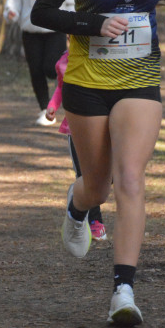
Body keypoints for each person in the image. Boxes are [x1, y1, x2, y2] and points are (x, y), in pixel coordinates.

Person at [32, 0, 165, 327]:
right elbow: (42, 11)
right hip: (87, 82)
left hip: (139, 78)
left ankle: (123, 289)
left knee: (131, 179)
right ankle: (79, 206)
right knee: (97, 184)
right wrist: (93, 23)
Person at [3, 0, 74, 126]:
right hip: (31, 33)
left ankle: (68, 101)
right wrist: (11, 14)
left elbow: (71, 2)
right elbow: (12, 5)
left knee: (52, 68)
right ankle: (45, 109)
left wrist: (71, 23)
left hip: (55, 31)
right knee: (36, 71)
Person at [46, 50, 107, 241]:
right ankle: (93, 222)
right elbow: (61, 87)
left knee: (108, 176)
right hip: (75, 129)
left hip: (104, 126)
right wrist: (53, 106)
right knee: (86, 175)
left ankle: (77, 197)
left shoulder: (106, 55)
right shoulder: (65, 59)